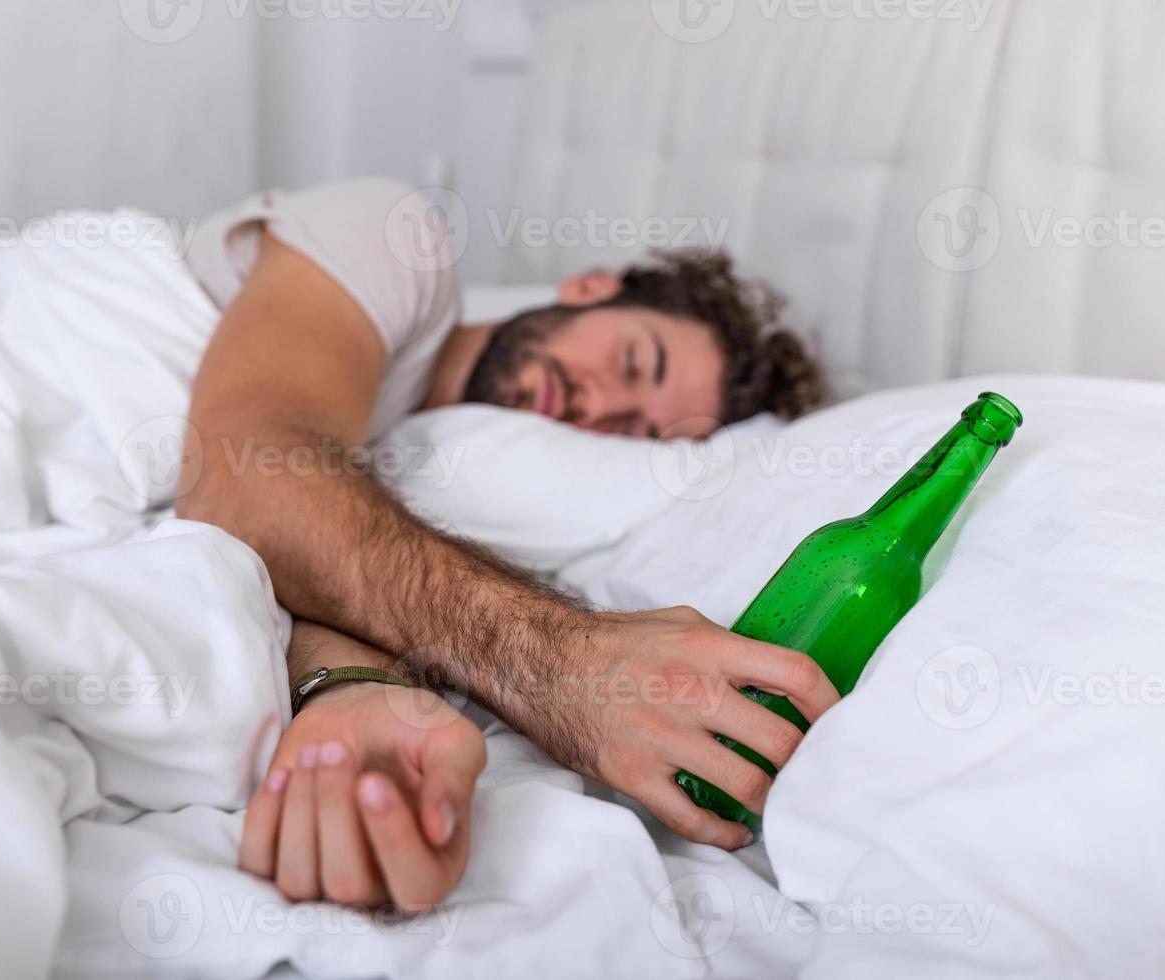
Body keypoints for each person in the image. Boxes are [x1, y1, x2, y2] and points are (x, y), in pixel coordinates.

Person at [175, 177, 838, 912]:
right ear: (590, 289)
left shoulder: (398, 469)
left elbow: (316, 555)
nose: (601, 406)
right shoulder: (394, 241)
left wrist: (357, 692)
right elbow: (241, 472)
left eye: (638, 434)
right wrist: (563, 662)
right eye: (632, 362)